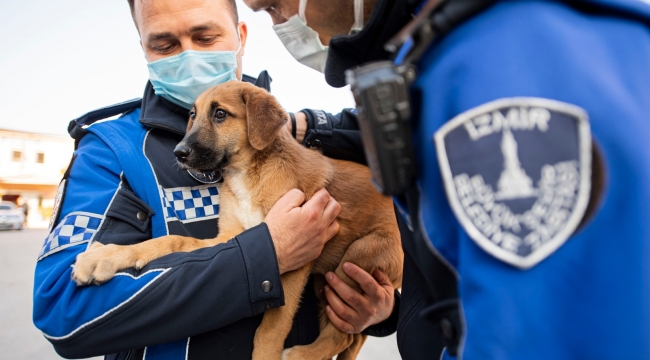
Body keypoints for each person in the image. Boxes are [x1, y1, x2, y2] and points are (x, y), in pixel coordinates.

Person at [247, 0, 650, 358]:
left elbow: (528, 327)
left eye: (272, 6)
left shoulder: (492, 58)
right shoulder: (499, 38)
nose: (275, 19)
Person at [32, 0, 399, 359]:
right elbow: (63, 310)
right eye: (165, 44)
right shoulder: (112, 150)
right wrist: (262, 256)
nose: (189, 56)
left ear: (241, 35)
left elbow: (383, 239)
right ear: (143, 47)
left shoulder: (292, 134)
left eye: (205, 37)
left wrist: (383, 312)